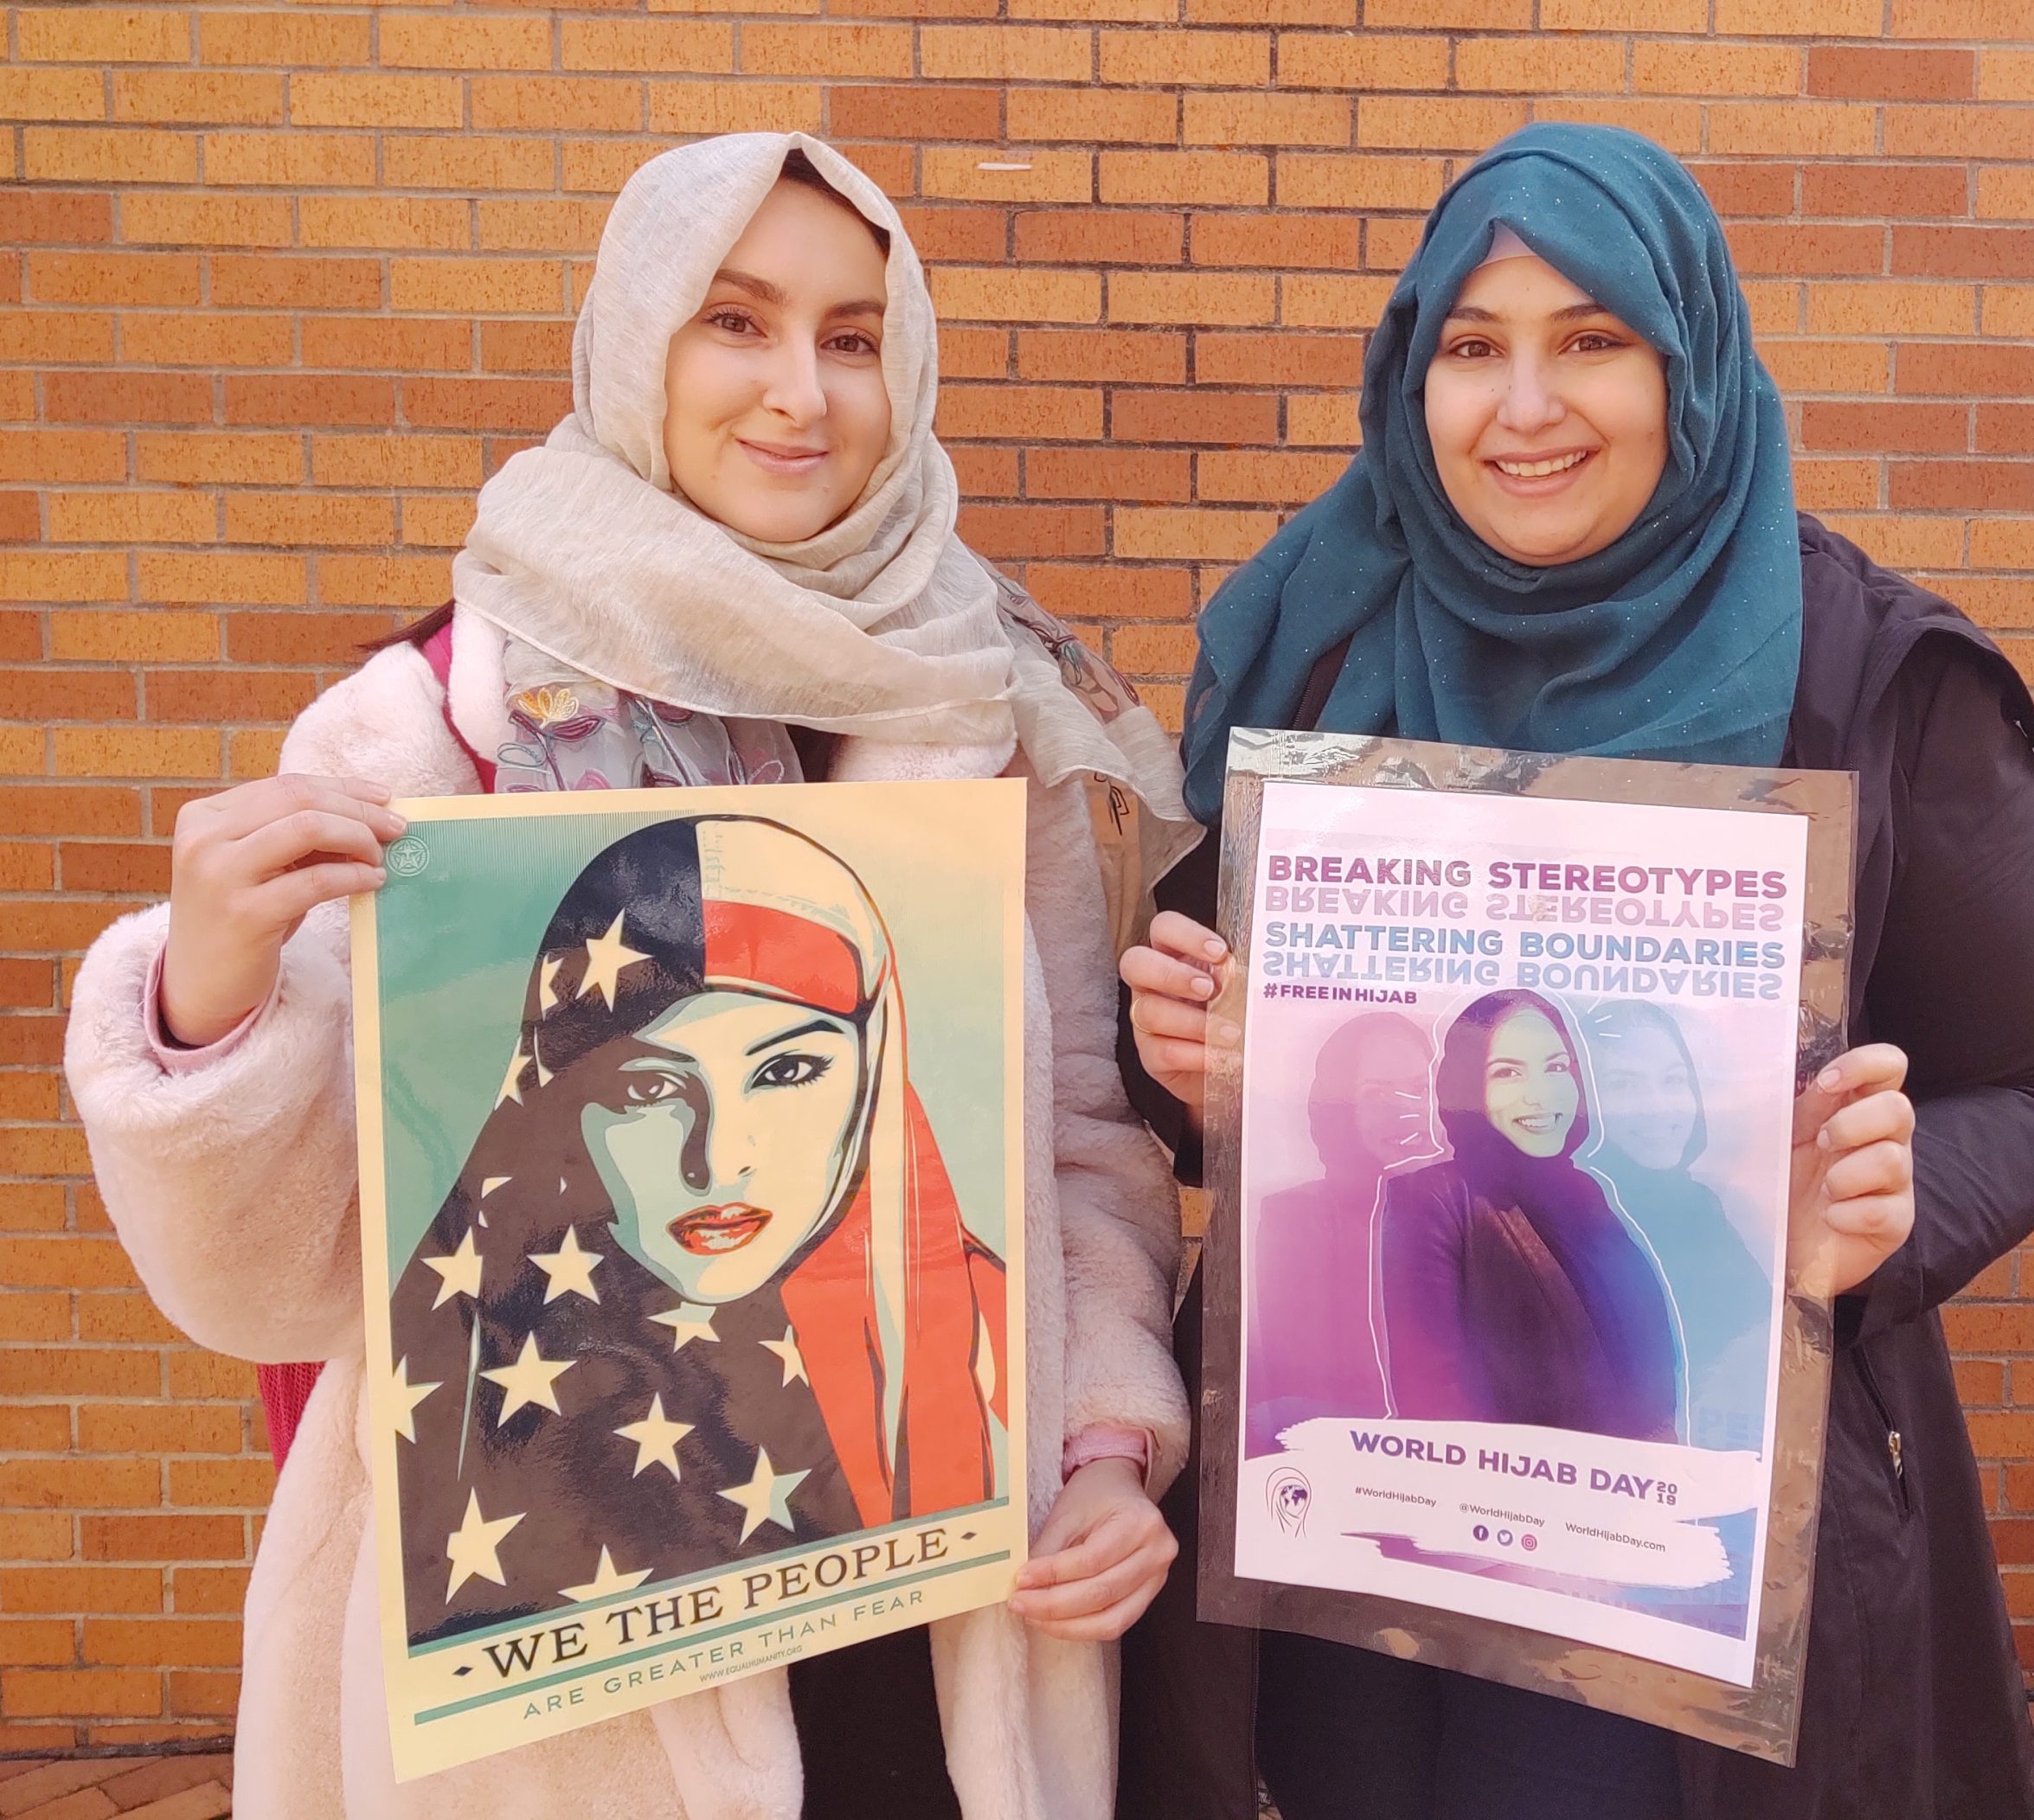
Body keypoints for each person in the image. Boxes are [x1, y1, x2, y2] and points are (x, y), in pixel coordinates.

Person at [66, 133, 1197, 1820]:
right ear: (634, 339)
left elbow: (1072, 1147)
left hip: (931, 1605)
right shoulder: (434, 725)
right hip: (573, 1657)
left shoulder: (984, 705)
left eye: (852, 335)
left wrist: (1106, 1443)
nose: (798, 392)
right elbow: (288, 1269)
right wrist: (213, 1002)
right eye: (733, 321)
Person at [1117, 124, 2034, 1820]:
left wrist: (1879, 1202)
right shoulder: (1329, 636)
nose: (1522, 407)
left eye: (1590, 341)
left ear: (1688, 362)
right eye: (1470, 347)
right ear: (1405, 374)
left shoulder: (1873, 675)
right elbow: (1212, 1047)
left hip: (1674, 1523)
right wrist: (1191, 1066)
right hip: (1351, 1498)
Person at [394, 815, 1009, 1639]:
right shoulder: (482, 1317)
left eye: (787, 1070)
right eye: (648, 1091)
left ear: (873, 1074)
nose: (718, 1162)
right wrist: (207, 1013)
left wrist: (1111, 1460)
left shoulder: (984, 1333)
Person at [1377, 990, 1679, 1445]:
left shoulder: (1583, 1193)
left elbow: (1647, 1367)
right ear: (1467, 1086)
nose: (1540, 1095)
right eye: (1507, 1073)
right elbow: (1433, 1403)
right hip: (1503, 1497)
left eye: (1556, 1068)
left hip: (1625, 1494)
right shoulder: (1431, 1199)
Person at [1587, 999, 1774, 1455]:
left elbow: (1760, 1343)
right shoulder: (1570, 1216)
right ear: (1585, 1098)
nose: (1657, 1107)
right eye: (1623, 1085)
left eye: (1673, 1080)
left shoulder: (1699, 1206)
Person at [1245, 1009, 1429, 1442]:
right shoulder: (1298, 1219)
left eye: (1422, 1089)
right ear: (1339, 1104)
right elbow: (1296, 1399)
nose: (1407, 1110)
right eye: (1378, 1093)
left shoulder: (1487, 1215)